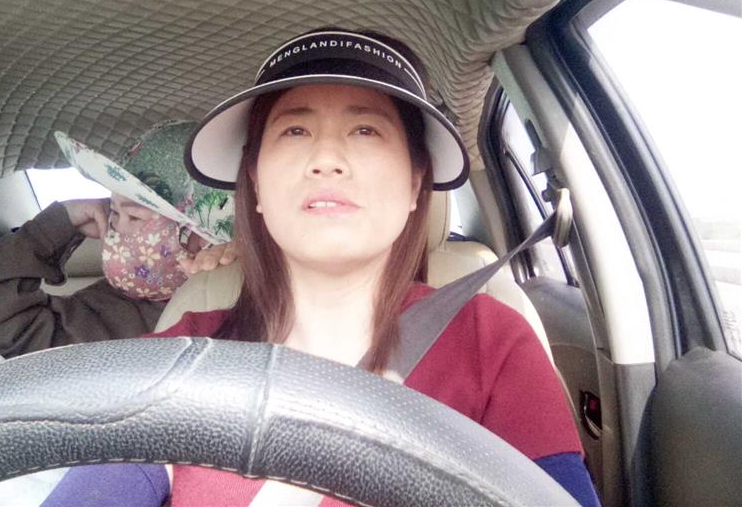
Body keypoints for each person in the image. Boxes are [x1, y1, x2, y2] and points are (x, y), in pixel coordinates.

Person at [43, 29, 599, 506]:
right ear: (256, 183)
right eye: (294, 130)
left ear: (415, 185)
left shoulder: (492, 343)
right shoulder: (181, 358)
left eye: (366, 130)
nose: (326, 158)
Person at [0, 120, 236, 358]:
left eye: (134, 216)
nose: (115, 227)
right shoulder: (108, 306)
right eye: (114, 211)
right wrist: (55, 225)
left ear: (205, 237)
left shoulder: (237, 299)